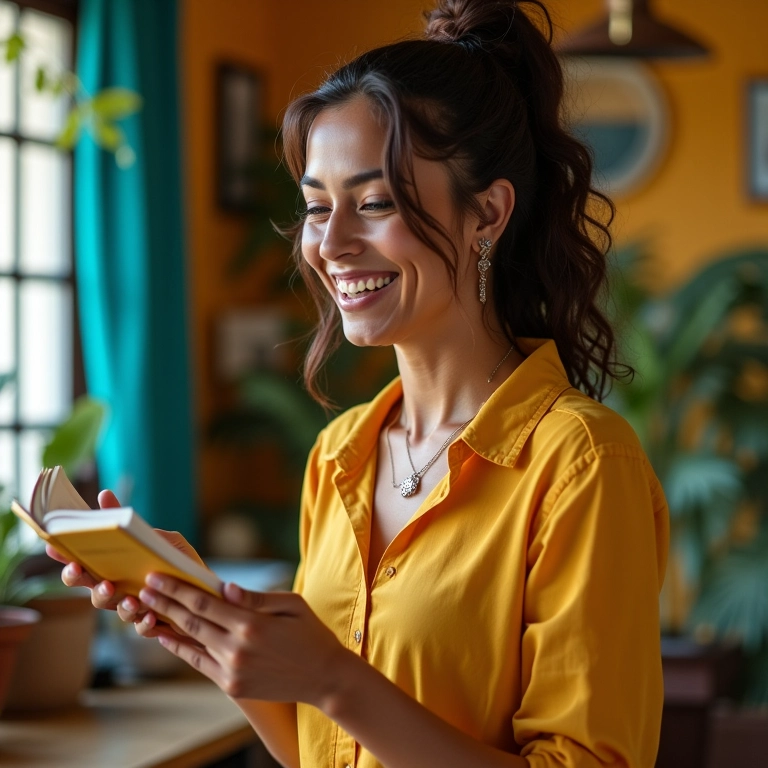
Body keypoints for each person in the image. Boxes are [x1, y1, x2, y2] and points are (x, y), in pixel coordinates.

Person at [50, 1, 669, 766]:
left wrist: (335, 680)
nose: (331, 243)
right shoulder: (341, 454)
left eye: (374, 204)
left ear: (488, 213)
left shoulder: (581, 464)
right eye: (317, 207)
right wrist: (209, 630)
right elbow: (321, 749)